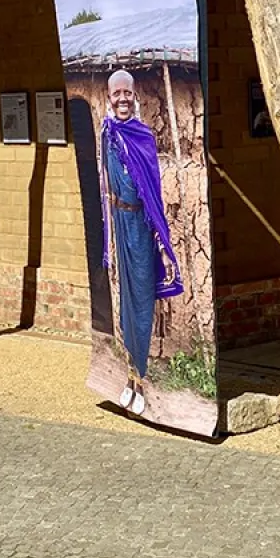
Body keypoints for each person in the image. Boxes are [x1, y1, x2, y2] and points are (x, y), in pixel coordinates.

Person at [98, 69, 182, 415]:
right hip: (120, 223)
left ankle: (141, 379)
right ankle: (130, 375)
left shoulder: (142, 136)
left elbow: (153, 193)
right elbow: (106, 185)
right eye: (116, 93)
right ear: (108, 98)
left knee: (143, 300)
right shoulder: (107, 134)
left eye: (127, 93)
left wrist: (160, 242)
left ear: (135, 97)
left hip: (142, 228)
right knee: (127, 302)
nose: (121, 98)